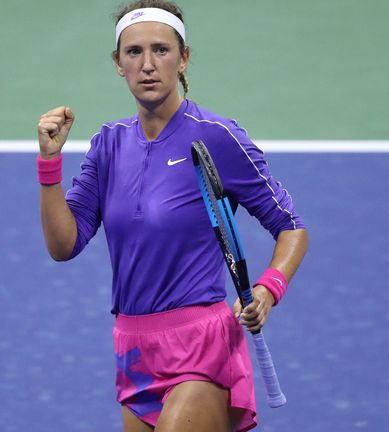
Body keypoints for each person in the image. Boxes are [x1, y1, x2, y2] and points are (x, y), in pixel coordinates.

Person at [36, 1, 309, 431]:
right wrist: (49, 166)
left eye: (161, 50)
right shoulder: (108, 145)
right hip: (133, 346)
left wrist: (268, 290)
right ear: (118, 64)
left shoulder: (216, 136)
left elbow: (290, 228)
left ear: (183, 59)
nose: (147, 65)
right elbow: (63, 245)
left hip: (200, 346)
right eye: (134, 52)